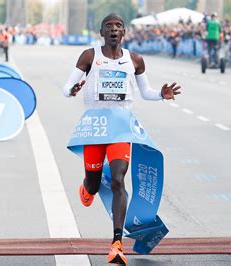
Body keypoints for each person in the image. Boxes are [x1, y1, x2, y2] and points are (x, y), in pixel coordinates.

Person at [62, 14, 180, 264]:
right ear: (102, 32)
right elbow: (66, 87)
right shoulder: (89, 56)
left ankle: (117, 244)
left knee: (118, 180)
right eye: (109, 27)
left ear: (124, 32)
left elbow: (146, 93)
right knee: (94, 186)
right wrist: (72, 90)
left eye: (118, 27)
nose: (114, 30)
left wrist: (161, 93)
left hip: (120, 126)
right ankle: (88, 186)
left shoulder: (134, 60)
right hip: (95, 126)